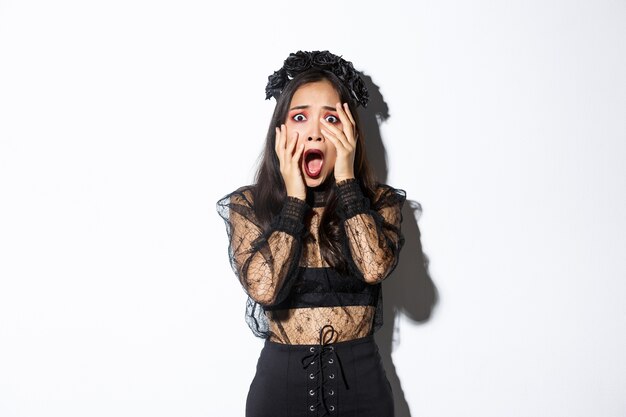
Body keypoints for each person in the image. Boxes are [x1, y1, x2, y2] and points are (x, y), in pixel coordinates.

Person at [217, 50, 406, 417]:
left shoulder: (379, 202)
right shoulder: (249, 205)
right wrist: (294, 202)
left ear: (351, 132)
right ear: (281, 130)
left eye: (332, 118)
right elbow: (265, 288)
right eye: (300, 116)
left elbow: (373, 268)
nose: (316, 131)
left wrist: (348, 182)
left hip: (363, 391)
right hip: (279, 392)